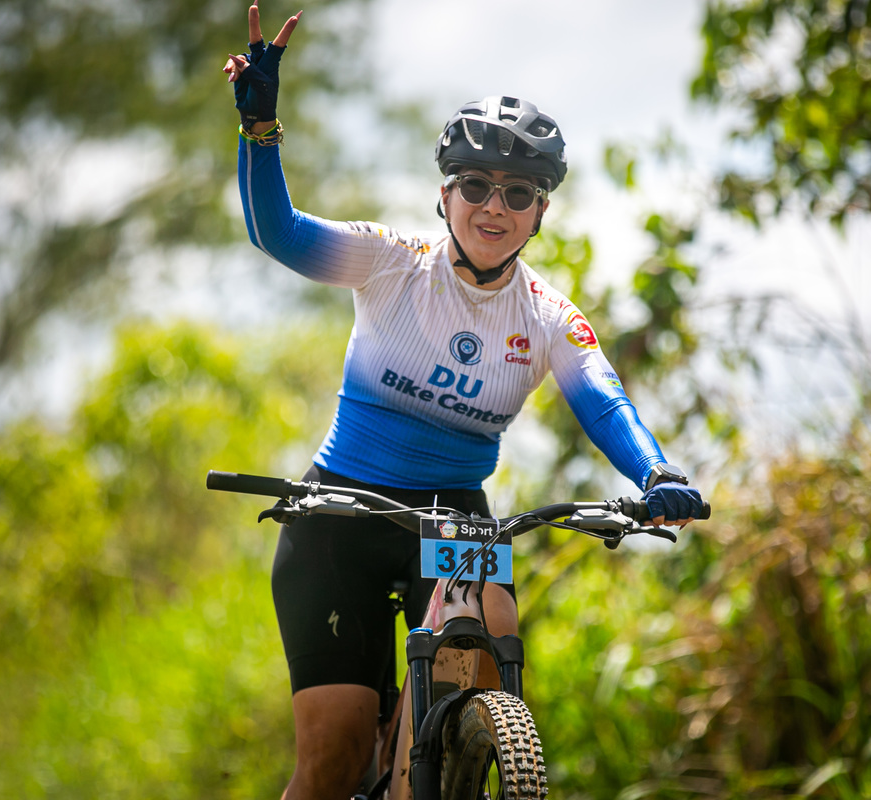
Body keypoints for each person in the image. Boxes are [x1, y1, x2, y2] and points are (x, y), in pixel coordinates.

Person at [224, 5, 705, 798]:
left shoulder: (547, 317)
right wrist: (261, 131)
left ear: (541, 211)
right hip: (339, 513)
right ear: (444, 195)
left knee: (491, 646)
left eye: (519, 192)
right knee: (334, 758)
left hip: (457, 518)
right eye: (476, 185)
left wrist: (655, 474)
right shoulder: (390, 263)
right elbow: (279, 234)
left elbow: (605, 402)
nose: (494, 206)